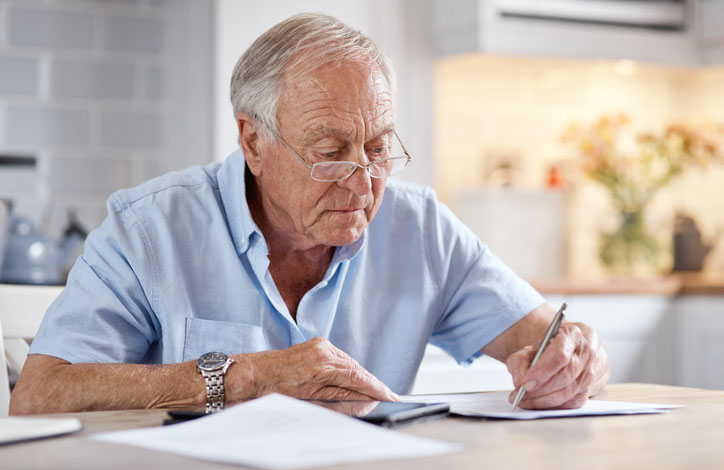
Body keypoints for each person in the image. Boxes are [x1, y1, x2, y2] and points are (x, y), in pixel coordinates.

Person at [10, 13, 609, 415]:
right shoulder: (149, 230)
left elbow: (547, 340)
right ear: (253, 143)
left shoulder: (420, 227)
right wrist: (243, 378)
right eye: (330, 153)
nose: (364, 180)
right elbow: (38, 395)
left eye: (379, 149)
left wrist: (574, 360)